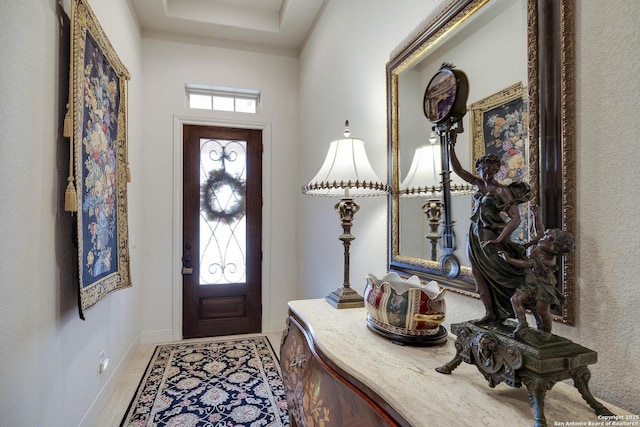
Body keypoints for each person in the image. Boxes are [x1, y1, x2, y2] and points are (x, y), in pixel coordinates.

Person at [449, 141, 531, 324]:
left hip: (490, 237)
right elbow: (458, 170)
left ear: (496, 171)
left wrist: (500, 239)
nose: (486, 173)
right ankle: (489, 313)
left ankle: (513, 311)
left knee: (495, 273)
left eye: (491, 169)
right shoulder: (478, 184)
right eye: (483, 169)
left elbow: (515, 218)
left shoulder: (501, 190)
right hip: (474, 235)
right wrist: (451, 147)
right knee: (478, 276)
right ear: (479, 169)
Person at [498, 205, 575, 337]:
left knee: (542, 310)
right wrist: (536, 215)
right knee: (516, 299)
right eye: (545, 235)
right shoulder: (542, 245)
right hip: (530, 281)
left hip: (543, 287)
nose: (542, 237)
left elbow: (527, 264)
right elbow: (539, 229)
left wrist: (509, 259)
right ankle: (522, 324)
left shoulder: (547, 259)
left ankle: (546, 331)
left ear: (553, 248)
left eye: (547, 238)